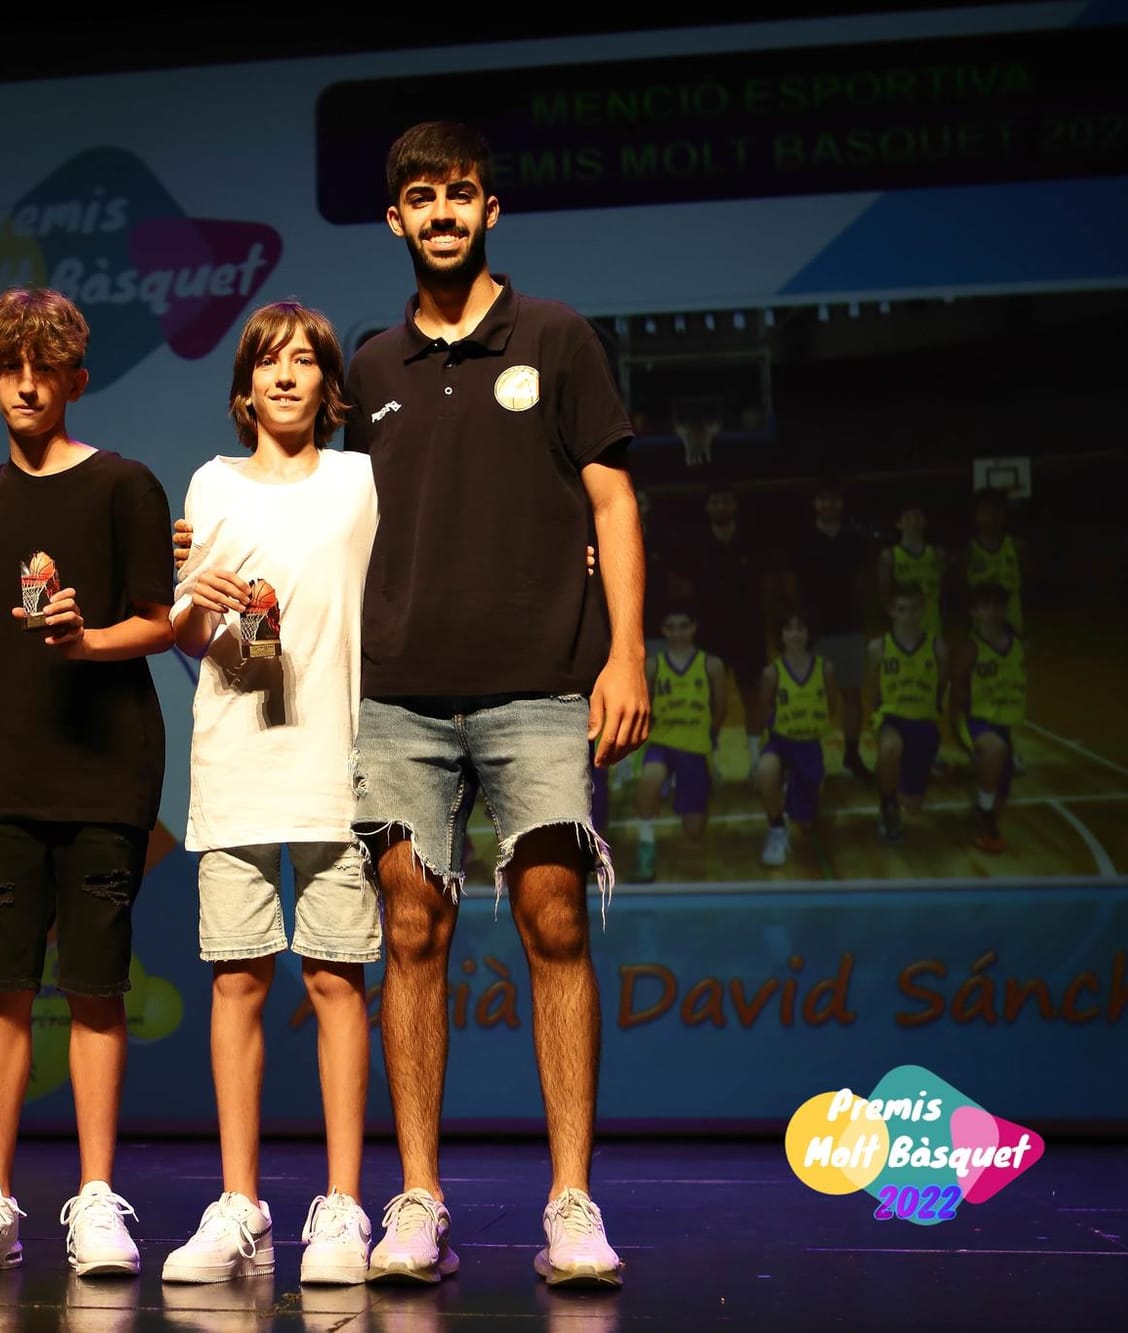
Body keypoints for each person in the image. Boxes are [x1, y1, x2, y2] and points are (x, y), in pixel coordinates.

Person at [341, 120, 649, 1289]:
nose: (440, 213)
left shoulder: (556, 337)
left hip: (539, 687)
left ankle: (570, 1202)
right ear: (395, 220)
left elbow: (613, 505)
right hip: (400, 702)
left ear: (489, 211)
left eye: (459, 194)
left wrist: (623, 657)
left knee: (554, 925)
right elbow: (326, 524)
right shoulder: (369, 369)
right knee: (409, 937)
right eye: (419, 196)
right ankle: (416, 1199)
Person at [0, 287, 175, 1279]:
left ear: (76, 378)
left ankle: (97, 1197)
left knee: (97, 988)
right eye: (7, 369)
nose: (27, 385)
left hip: (106, 773)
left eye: (46, 369)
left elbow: (161, 619)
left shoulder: (124, 485)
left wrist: (86, 638)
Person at [160, 301, 382, 1288]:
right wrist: (192, 606)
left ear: (328, 388)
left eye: (304, 361)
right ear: (242, 387)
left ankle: (340, 1208)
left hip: (339, 769)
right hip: (238, 764)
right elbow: (187, 638)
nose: (285, 374)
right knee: (237, 983)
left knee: (337, 982)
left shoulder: (360, 481)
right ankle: (240, 1205)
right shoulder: (207, 484)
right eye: (268, 361)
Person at [673, 484, 768, 778]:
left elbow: (767, 587)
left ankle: (755, 761)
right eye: (715, 500)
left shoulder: (752, 540)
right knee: (710, 700)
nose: (720, 506)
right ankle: (707, 760)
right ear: (708, 507)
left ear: (734, 506)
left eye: (725, 499)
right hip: (711, 635)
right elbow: (686, 592)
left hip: (749, 633)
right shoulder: (697, 543)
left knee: (752, 696)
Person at [629, 606, 727, 883]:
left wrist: (709, 738)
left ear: (694, 627)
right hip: (662, 743)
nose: (677, 632)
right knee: (649, 778)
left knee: (694, 833)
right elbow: (644, 706)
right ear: (663, 631)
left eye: (683, 625)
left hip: (695, 747)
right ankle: (646, 841)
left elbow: (719, 709)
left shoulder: (712, 665)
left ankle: (684, 782)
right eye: (671, 627)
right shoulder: (654, 665)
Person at [788, 478, 875, 783]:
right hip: (815, 630)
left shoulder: (855, 537)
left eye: (834, 499)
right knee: (811, 697)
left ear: (841, 503)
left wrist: (864, 621)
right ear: (815, 504)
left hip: (848, 626)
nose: (828, 504)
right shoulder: (802, 539)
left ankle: (851, 755)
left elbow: (864, 582)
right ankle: (808, 756)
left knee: (852, 695)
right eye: (822, 499)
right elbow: (795, 586)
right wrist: (798, 626)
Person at [754, 610, 837, 868]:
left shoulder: (825, 668)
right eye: (789, 629)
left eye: (801, 628)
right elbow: (764, 709)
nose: (795, 634)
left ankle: (795, 784)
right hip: (781, 742)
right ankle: (777, 828)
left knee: (805, 824)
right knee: (765, 770)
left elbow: (833, 705)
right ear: (780, 635)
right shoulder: (772, 673)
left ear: (810, 633)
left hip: (809, 743)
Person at [866, 583, 947, 843]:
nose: (908, 615)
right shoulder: (878, 647)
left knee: (912, 806)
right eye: (902, 609)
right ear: (892, 611)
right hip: (892, 718)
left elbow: (942, 686)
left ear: (923, 609)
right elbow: (872, 689)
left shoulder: (938, 648)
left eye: (913, 609)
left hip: (923, 721)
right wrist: (881, 717)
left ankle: (902, 781)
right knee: (890, 746)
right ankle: (887, 807)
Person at [949, 580, 1026, 853]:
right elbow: (956, 693)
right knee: (994, 750)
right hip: (976, 721)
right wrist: (959, 733)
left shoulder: (1018, 645)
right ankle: (986, 820)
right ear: (974, 612)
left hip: (1005, 724)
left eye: (998, 606)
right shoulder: (969, 649)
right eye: (985, 607)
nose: (992, 612)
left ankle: (983, 800)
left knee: (999, 795)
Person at [878, 499, 944, 641]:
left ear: (925, 521)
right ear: (898, 524)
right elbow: (884, 595)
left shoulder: (937, 553)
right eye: (908, 518)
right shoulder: (889, 556)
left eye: (918, 517)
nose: (914, 522)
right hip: (904, 627)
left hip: (933, 625)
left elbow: (944, 590)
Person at [965, 486, 1026, 633]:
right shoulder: (967, 550)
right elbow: (963, 593)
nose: (991, 516)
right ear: (976, 515)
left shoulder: (1018, 547)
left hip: (1013, 629)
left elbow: (1027, 587)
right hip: (980, 631)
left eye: (996, 510)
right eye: (986, 511)